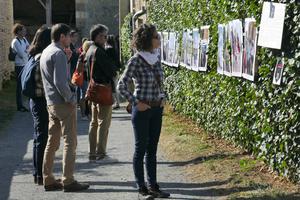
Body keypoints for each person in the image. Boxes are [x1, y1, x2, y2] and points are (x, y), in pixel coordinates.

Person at [117, 23, 170, 200]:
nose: (159, 39)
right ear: (147, 39)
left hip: (156, 108)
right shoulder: (136, 60)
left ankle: (153, 186)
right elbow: (121, 85)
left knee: (152, 150)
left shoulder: (156, 58)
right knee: (141, 149)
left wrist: (163, 97)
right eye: (156, 37)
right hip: (142, 110)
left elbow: (160, 83)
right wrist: (135, 102)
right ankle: (142, 188)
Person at [40, 23, 89, 192]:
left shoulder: (47, 51)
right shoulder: (58, 53)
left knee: (52, 142)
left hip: (51, 103)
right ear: (62, 37)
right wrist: (71, 99)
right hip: (63, 103)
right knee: (70, 142)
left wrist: (67, 60)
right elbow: (60, 81)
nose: (71, 38)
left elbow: (54, 77)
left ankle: (48, 179)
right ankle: (68, 180)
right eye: (69, 36)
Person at [85, 24, 117, 162]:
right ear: (96, 37)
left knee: (94, 123)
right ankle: (101, 153)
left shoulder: (89, 50)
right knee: (104, 122)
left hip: (93, 89)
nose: (105, 39)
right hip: (103, 89)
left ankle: (93, 152)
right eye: (103, 36)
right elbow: (112, 70)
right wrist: (113, 55)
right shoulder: (100, 52)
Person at [27, 26, 52, 186]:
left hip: (34, 100)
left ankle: (38, 174)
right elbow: (45, 83)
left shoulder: (33, 54)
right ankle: (40, 174)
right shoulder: (42, 57)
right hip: (41, 101)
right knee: (42, 137)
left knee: (39, 137)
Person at [11, 23, 30, 112]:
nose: (25, 31)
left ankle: (25, 104)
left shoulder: (24, 40)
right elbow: (22, 55)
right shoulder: (15, 42)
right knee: (19, 87)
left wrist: (27, 51)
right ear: (18, 31)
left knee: (26, 85)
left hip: (26, 65)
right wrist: (27, 51)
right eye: (23, 30)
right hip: (19, 66)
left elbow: (30, 50)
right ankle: (20, 106)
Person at [106, 34, 121, 109]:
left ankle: (115, 102)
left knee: (113, 87)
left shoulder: (108, 50)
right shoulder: (115, 49)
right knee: (115, 86)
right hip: (116, 70)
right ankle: (117, 102)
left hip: (111, 71)